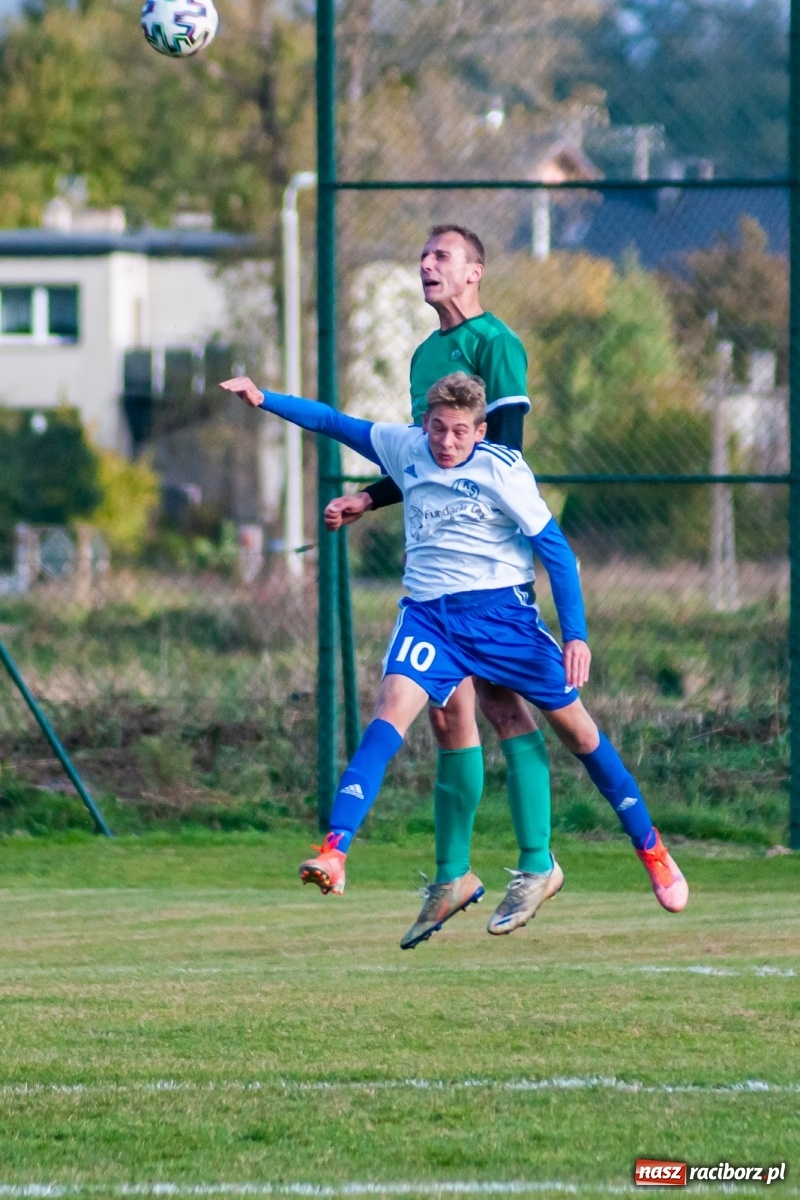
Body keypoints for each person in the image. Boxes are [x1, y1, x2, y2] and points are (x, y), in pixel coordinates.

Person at [219, 371, 690, 945]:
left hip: (502, 617)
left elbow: (558, 553)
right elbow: (333, 423)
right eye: (438, 428)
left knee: (580, 734)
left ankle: (651, 848)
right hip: (429, 617)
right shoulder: (406, 447)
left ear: (481, 429)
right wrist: (264, 399)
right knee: (388, 714)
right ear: (425, 423)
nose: (446, 442)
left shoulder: (501, 469)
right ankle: (335, 850)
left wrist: (576, 635)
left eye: (460, 432)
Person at [324, 223, 558, 946]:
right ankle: (453, 875)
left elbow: (498, 461)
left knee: (502, 707)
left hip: (488, 565)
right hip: (440, 576)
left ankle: (537, 863)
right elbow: (426, 456)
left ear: (474, 273)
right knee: (444, 714)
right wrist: (372, 496)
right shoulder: (426, 355)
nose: (427, 265)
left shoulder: (497, 344)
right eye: (424, 256)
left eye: (442, 256)